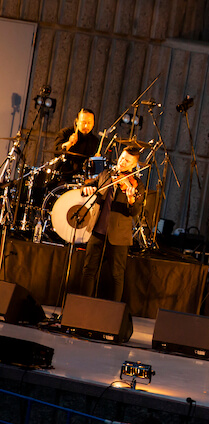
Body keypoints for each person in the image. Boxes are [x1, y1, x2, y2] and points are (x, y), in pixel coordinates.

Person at [80, 146, 143, 302]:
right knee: (89, 270)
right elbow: (86, 184)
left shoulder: (136, 185)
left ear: (133, 165)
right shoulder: (106, 174)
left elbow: (134, 212)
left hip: (119, 236)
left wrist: (131, 200)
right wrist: (85, 189)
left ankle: (113, 314)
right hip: (97, 230)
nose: (122, 162)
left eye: (127, 161)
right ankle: (82, 308)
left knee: (117, 275)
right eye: (122, 157)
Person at [54, 108, 100, 179]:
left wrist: (97, 161)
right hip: (62, 175)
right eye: (83, 122)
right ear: (77, 121)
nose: (86, 126)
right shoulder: (65, 133)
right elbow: (57, 152)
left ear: (93, 123)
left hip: (82, 180)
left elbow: (95, 170)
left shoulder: (95, 141)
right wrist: (69, 143)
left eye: (89, 123)